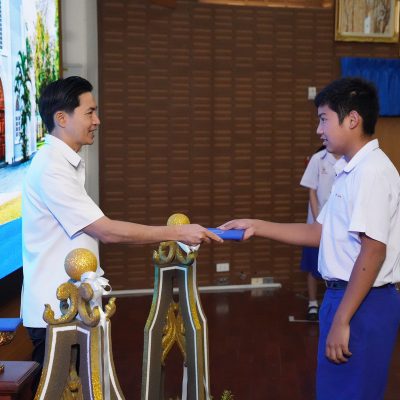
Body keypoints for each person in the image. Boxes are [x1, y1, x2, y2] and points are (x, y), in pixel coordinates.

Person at [21, 76, 223, 371]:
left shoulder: (62, 162)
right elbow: (105, 231)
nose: (97, 121)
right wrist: (178, 232)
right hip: (57, 311)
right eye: (90, 112)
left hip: (74, 306)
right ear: (61, 118)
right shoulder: (51, 167)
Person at [219, 77, 400, 400]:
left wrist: (342, 319)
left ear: (352, 119)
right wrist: (257, 225)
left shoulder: (371, 172)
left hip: (361, 302)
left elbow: (373, 251)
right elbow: (319, 232)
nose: (318, 130)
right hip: (346, 298)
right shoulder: (349, 170)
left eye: (323, 119)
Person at [300, 145, 342, 321]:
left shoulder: (349, 158)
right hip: (317, 224)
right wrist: (318, 220)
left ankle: (334, 304)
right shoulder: (318, 159)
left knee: (336, 267)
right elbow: (312, 191)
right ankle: (312, 303)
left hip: (340, 225)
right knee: (313, 265)